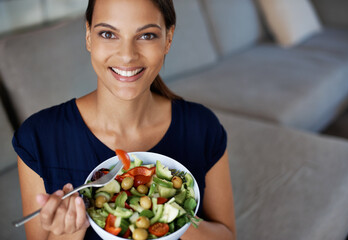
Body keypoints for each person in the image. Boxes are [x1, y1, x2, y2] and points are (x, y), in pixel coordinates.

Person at [13, 0, 236, 239]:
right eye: (108, 34)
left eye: (147, 35)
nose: (127, 55)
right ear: (88, 36)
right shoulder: (38, 137)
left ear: (168, 39)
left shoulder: (202, 127)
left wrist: (172, 214)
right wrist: (71, 230)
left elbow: (226, 235)